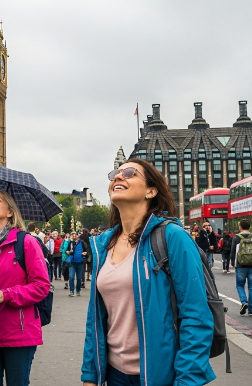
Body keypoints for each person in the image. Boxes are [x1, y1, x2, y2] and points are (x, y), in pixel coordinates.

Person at [82, 159, 215, 386]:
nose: (118, 176)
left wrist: (187, 381)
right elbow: (95, 320)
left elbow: (196, 316)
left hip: (162, 376)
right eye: (115, 173)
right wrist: (90, 376)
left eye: (130, 173)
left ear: (151, 191)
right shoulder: (103, 245)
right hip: (114, 376)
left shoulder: (173, 237)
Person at [0, 191, 50, 386]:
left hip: (19, 334)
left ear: (10, 212)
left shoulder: (25, 242)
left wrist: (6, 295)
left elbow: (42, 286)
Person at [230, 220, 252, 316]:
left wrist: (232, 263)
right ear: (249, 227)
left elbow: (233, 252)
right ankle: (251, 310)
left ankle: (244, 302)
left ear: (240, 227)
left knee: (240, 285)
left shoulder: (236, 237)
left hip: (240, 265)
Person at [66, 232, 85, 297]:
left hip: (80, 262)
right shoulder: (70, 243)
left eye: (75, 236)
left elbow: (86, 250)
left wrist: (85, 253)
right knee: (71, 277)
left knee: (79, 278)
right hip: (72, 262)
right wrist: (67, 252)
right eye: (72, 236)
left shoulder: (81, 242)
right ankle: (71, 291)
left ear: (77, 236)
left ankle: (78, 291)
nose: (74, 237)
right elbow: (67, 250)